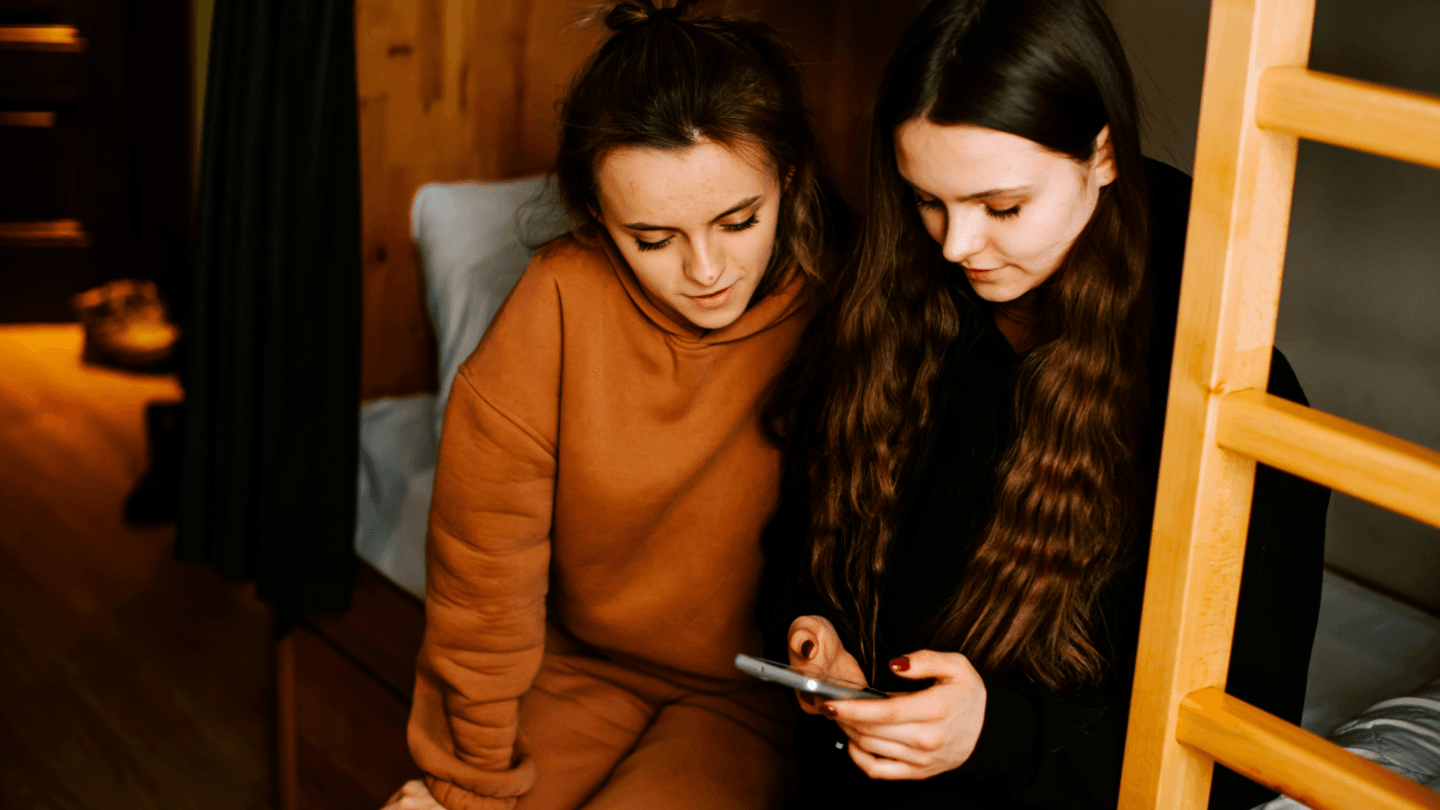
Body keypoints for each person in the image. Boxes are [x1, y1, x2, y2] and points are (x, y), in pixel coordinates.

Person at [758, 0, 1330, 808]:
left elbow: (1243, 752)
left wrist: (992, 734)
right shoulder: (892, 302)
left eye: (1002, 208)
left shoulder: (1228, 395)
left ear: (1101, 154)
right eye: (927, 199)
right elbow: (798, 533)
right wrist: (810, 630)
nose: (955, 246)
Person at [384, 2, 849, 809]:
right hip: (576, 667)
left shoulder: (849, 312)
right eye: (654, 239)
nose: (707, 270)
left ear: (790, 178)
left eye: (739, 221)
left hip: (750, 700)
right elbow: (482, 577)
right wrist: (463, 786)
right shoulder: (559, 299)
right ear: (597, 217)